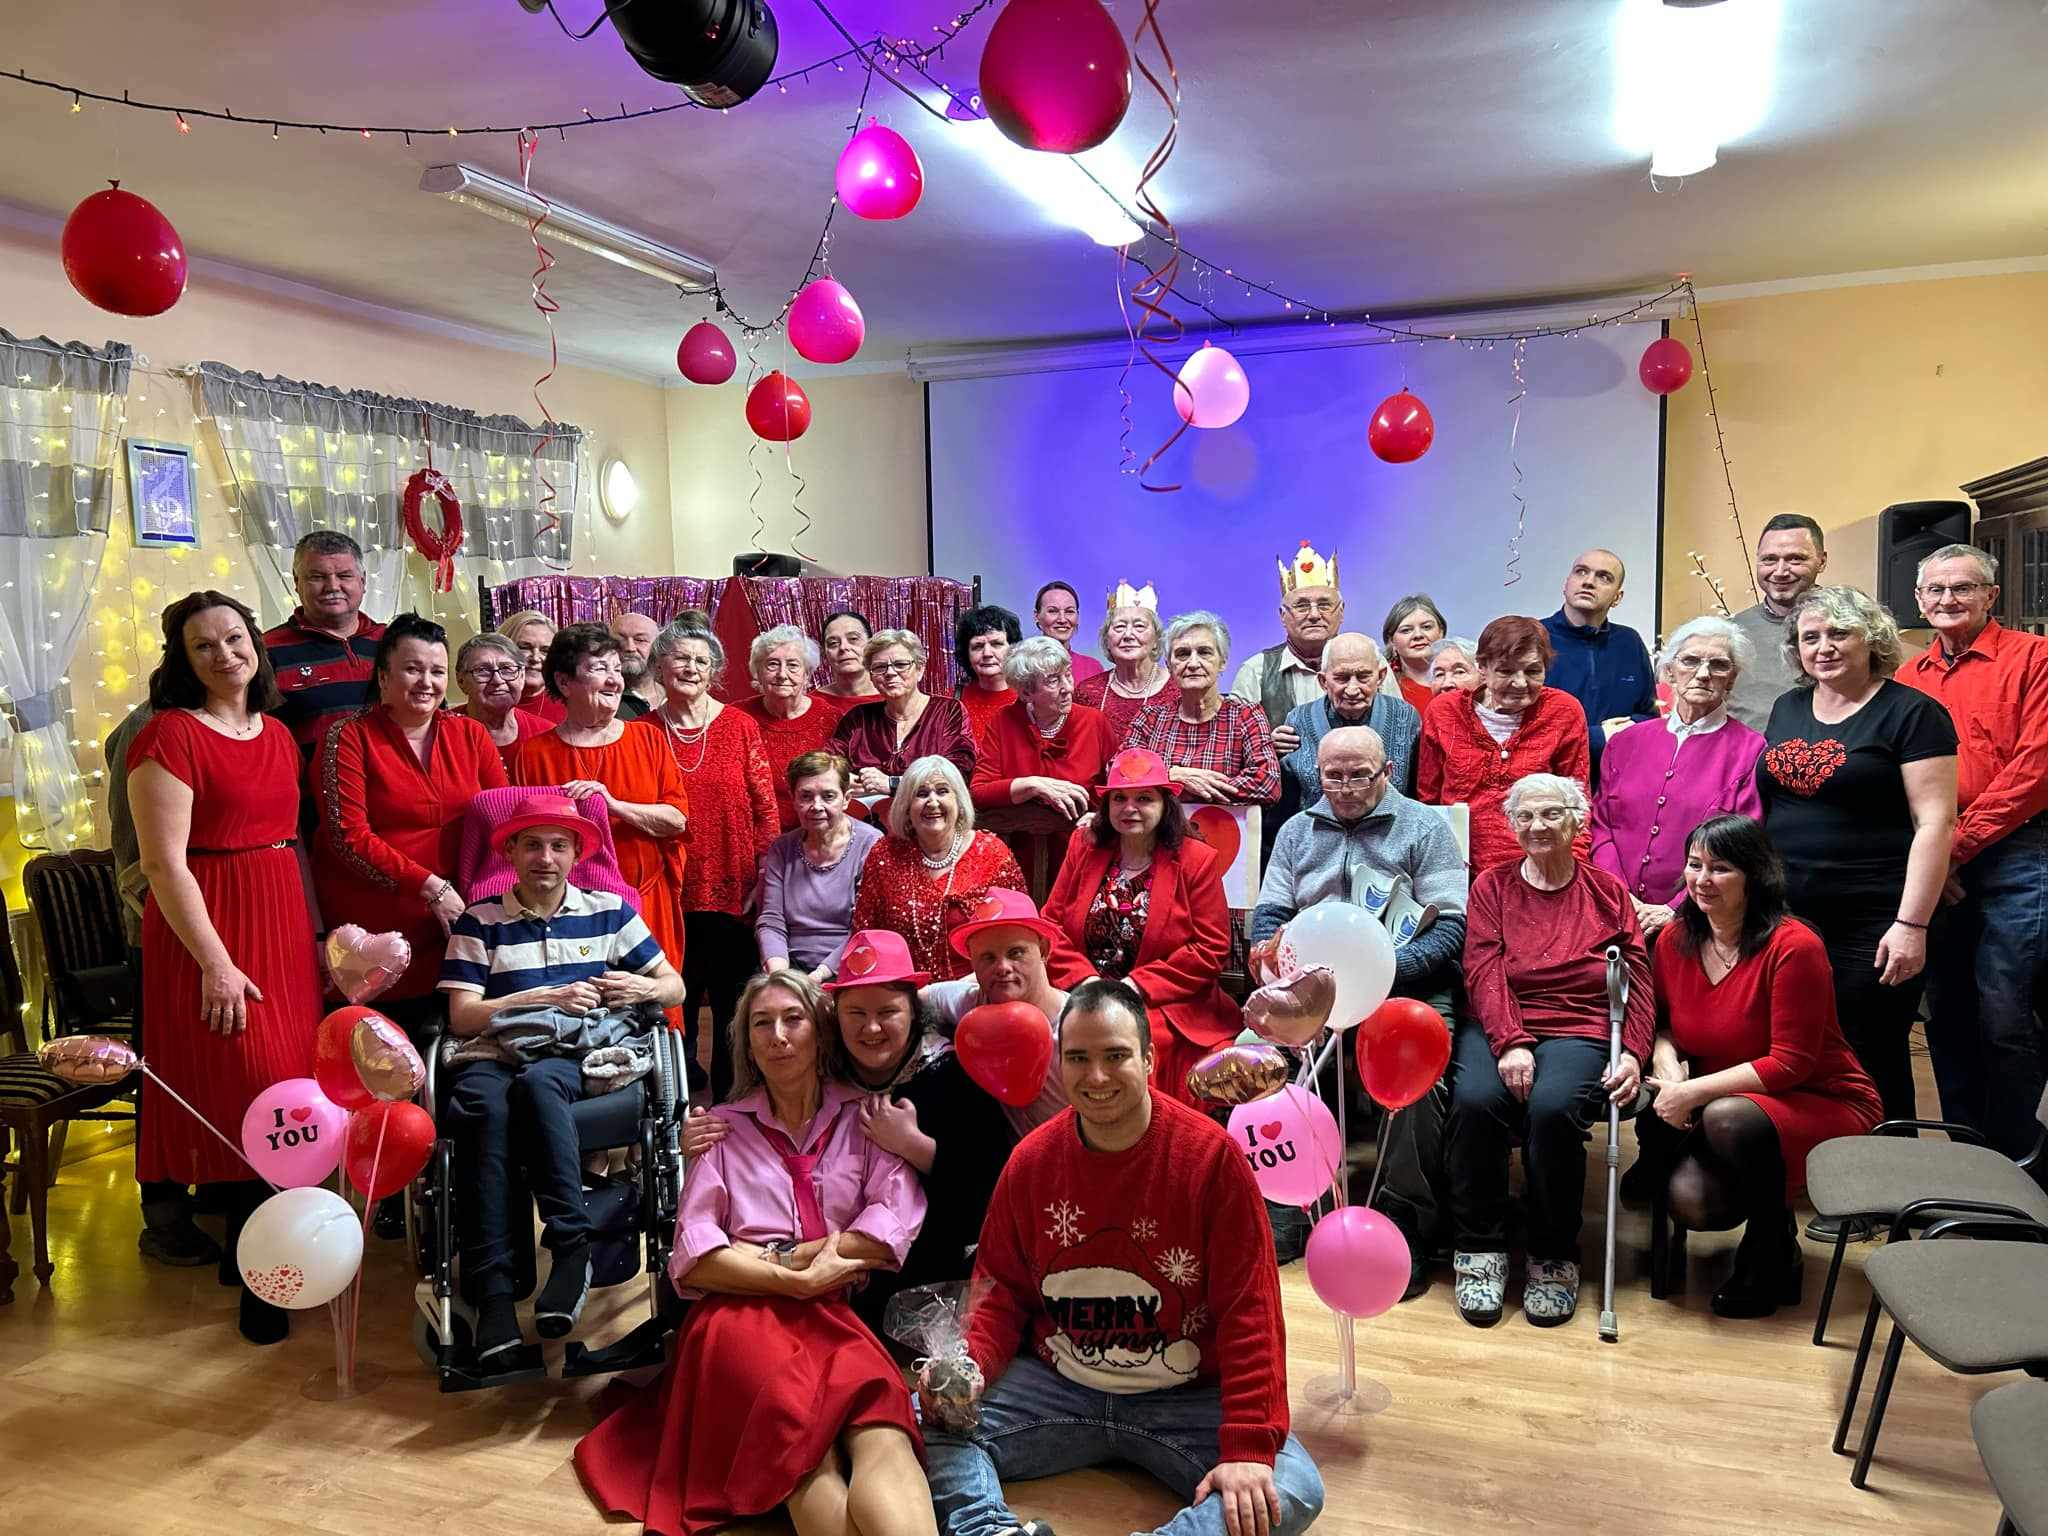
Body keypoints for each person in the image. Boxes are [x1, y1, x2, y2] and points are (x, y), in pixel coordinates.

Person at [921, 979, 1326, 1536]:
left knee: (1292, 1485)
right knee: (920, 1417)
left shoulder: (1212, 1161)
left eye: (1115, 1056)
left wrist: (1248, 1447)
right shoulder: (1030, 1163)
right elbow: (1001, 1293)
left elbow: (1249, 1312)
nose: (1096, 1076)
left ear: (1150, 1059)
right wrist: (968, 1368)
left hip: (1185, 1397)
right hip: (1057, 1386)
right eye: (1078, 1058)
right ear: (1059, 1063)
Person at [575, 971, 935, 1536]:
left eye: (793, 1019)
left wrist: (785, 1256)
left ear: (819, 1032)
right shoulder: (720, 1131)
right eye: (761, 1024)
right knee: (806, 1452)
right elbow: (697, 1256)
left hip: (832, 1314)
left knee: (884, 1428)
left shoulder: (866, 1118)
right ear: (746, 1044)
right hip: (740, 1315)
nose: (778, 1036)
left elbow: (891, 1224)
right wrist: (790, 1276)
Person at [129, 590, 323, 1344]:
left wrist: (315, 938)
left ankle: (255, 1257)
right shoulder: (169, 736)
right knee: (251, 1094)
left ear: (256, 645)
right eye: (203, 645)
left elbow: (289, 841)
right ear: (182, 659)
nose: (224, 654)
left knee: (289, 1094)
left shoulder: (275, 733)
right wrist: (216, 963)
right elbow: (161, 864)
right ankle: (261, 1285)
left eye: (235, 638)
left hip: (280, 921)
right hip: (210, 929)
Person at [438, 795, 684, 1365]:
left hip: (574, 1055)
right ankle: (494, 1297)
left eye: (557, 846)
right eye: (531, 845)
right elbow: (463, 1016)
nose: (544, 858)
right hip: (494, 1052)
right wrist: (542, 997)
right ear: (510, 852)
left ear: (576, 854)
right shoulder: (480, 921)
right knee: (486, 1113)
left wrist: (643, 988)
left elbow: (673, 986)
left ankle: (571, 1247)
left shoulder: (610, 913)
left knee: (540, 1085)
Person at [684, 929, 1016, 1334]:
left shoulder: (952, 1077)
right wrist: (697, 1140)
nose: (871, 1029)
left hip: (924, 1274)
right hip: (822, 1280)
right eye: (856, 1013)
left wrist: (917, 1147)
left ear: (914, 1011)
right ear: (834, 1020)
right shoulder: (828, 1071)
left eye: (888, 1012)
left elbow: (989, 1193)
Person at [1251, 725, 1469, 1297]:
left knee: (1416, 1080)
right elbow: (1270, 914)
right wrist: (1275, 959)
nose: (1344, 788)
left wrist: (1382, 973)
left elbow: (1451, 927)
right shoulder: (1297, 830)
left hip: (1406, 984)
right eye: (1333, 776)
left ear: (1387, 772)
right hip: (1311, 986)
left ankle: (1404, 1217)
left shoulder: (1425, 827)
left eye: (1358, 776)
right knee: (1259, 1061)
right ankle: (1291, 1200)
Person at [1641, 816, 1882, 1318]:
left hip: (1821, 1098)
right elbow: (1663, 1024)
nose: (1702, 880)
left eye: (1720, 868)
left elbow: (1790, 1063)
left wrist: (1693, 1093)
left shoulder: (1794, 946)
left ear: (1756, 875)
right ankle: (1776, 1228)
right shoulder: (1674, 940)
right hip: (1726, 1101)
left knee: (1729, 1116)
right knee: (1691, 1202)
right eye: (1694, 865)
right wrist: (1667, 1066)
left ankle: (1768, 1249)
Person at [1447, 773, 1652, 1328]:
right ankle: (1480, 1245)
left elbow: (1636, 978)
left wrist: (1633, 1052)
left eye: (1551, 814)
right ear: (1512, 825)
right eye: (1526, 816)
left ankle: (1553, 1253)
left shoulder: (1607, 892)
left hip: (1580, 1025)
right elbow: (1482, 968)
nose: (1537, 826)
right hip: (1500, 1022)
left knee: (1554, 1107)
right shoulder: (1491, 886)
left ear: (1577, 822)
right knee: (1474, 1099)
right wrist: (1510, 1041)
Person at [1758, 585, 1956, 1150]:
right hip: (1789, 913)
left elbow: (1936, 823)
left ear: (1872, 640)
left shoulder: (1913, 713)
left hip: (1876, 916)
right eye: (1810, 637)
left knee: (1870, 1046)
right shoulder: (1788, 707)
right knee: (1799, 1041)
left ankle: (1888, 1174)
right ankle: (1818, 1162)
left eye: (1839, 633)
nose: (1824, 647)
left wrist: (1912, 924)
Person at [1900, 544, 2048, 1157]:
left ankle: (2020, 1156)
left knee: (2007, 1011)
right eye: (1935, 590)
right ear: (1918, 600)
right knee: (1948, 1011)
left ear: (1992, 595)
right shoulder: (1908, 677)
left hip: (2018, 851)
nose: (1948, 599)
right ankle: (1963, 1152)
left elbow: (2036, 769)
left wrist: (1953, 847)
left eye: (1963, 588)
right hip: (1939, 855)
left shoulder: (2035, 658)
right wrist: (1934, 853)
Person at [310, 612, 507, 1025]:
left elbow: (501, 817)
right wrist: (431, 888)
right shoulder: (348, 737)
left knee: (456, 1036)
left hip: (460, 919)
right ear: (383, 676)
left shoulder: (470, 734)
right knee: (380, 1044)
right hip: (375, 928)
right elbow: (348, 836)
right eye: (413, 669)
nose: (426, 682)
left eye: (437, 671)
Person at [509, 624, 690, 1023]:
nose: (614, 680)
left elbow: (676, 819)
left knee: (657, 1013)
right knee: (582, 1014)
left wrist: (613, 805)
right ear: (564, 682)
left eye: (616, 669)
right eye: (598, 669)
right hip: (568, 914)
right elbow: (525, 840)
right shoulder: (534, 754)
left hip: (647, 901)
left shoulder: (649, 739)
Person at [1040, 747, 1238, 1108]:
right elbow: (1050, 926)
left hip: (1164, 1002)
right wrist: (1086, 981)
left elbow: (1210, 949)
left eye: (1144, 798)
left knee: (1133, 1043)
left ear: (1165, 804)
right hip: (1082, 991)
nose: (1129, 808)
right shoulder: (1083, 847)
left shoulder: (1196, 860)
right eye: (1120, 798)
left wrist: (1135, 986)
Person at [641, 620, 777, 1099]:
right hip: (666, 888)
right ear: (659, 666)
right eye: (680, 658)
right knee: (672, 1002)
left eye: (702, 661)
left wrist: (765, 876)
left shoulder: (740, 726)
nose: (691, 668)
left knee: (731, 1006)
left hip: (734, 886)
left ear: (715, 670)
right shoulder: (641, 731)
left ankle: (731, 1106)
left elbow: (764, 807)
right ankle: (676, 1106)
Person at [107, 697, 218, 1266]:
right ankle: (164, 1213)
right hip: (164, 927)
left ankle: (215, 1186)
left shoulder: (223, 717)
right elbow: (142, 856)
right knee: (162, 1072)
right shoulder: (151, 728)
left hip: (210, 925)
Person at [1590, 615, 1765, 939]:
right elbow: (1601, 827)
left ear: (1732, 679)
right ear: (1669, 671)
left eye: (1718, 665)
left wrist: (1674, 909)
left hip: (1698, 923)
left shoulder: (1751, 750)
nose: (1703, 673)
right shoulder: (1625, 741)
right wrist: (1621, 896)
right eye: (1690, 661)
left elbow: (1739, 844)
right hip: (1614, 912)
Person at [1417, 615, 1592, 874]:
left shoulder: (1564, 712)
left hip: (1540, 869)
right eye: (1506, 671)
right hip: (1459, 867)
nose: (1520, 683)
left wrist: (1571, 872)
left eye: (1533, 671)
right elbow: (1429, 802)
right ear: (1482, 668)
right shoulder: (1444, 711)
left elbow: (1578, 804)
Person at [850, 756, 1028, 981]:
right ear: (906, 807)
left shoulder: (992, 853)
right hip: (904, 989)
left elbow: (1019, 936)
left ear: (959, 802)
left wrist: (967, 987)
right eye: (921, 794)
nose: (932, 802)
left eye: (942, 791)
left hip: (980, 985)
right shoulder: (884, 854)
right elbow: (866, 933)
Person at [919, 888, 1073, 1137]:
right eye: (987, 958)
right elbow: (914, 1000)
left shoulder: (1079, 1027)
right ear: (972, 962)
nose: (1002, 967)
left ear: (1044, 950)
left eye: (1016, 953)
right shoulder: (973, 1004)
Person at [1126, 611, 1281, 807]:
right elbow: (1119, 771)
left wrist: (1179, 785)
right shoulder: (1150, 718)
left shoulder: (1247, 716)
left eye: (1204, 652)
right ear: (1169, 665)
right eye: (1182, 654)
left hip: (1223, 826)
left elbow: (1268, 784)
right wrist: (1172, 775)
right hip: (1160, 827)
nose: (1193, 663)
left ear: (1223, 662)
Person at [758, 751, 886, 984]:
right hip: (789, 966)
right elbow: (771, 920)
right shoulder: (781, 848)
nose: (816, 806)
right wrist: (780, 976)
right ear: (793, 799)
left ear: (846, 799)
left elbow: (865, 926)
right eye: (806, 796)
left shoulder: (871, 844)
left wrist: (819, 976)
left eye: (828, 796)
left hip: (852, 964)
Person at [260, 530, 386, 757]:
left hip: (394, 779)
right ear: (297, 582)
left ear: (363, 581)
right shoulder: (265, 651)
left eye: (344, 576)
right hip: (306, 779)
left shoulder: (393, 642)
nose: (332, 586)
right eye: (317, 577)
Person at [1541, 548, 1658, 785]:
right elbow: (1516, 727)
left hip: (1616, 783)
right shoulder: (1534, 637)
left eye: (1603, 577)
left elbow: (1650, 717)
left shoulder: (1629, 642)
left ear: (1617, 597)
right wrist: (1597, 737)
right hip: (1548, 784)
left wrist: (1628, 729)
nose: (1588, 582)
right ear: (1566, 584)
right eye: (1581, 572)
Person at [970, 635, 1115, 823]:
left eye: (1068, 674)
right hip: (1017, 838)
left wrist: (1100, 819)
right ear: (1026, 692)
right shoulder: (1003, 721)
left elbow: (1117, 789)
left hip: (1082, 835)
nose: (1068, 688)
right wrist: (1033, 785)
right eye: (1053, 680)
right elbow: (979, 793)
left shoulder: (1094, 721)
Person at [831, 629, 978, 798]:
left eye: (900, 664)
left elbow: (958, 773)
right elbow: (828, 766)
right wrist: (843, 780)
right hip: (864, 811)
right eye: (879, 667)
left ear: (920, 669)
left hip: (930, 810)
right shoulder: (858, 718)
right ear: (871, 677)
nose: (890, 673)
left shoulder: (948, 711)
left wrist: (893, 784)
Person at [1277, 632, 1422, 801]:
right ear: (1323, 681)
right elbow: (1285, 797)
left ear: (1380, 676)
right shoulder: (1299, 720)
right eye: (1341, 678)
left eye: (1363, 677)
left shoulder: (1404, 716)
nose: (1352, 689)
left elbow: (1419, 793)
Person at [739, 625, 848, 831]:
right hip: (753, 833)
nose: (782, 674)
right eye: (772, 664)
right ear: (757, 673)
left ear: (807, 675)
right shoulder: (737, 718)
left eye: (793, 665)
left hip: (818, 832)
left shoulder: (832, 719)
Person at [1727, 513, 1829, 731]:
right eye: (1769, 559)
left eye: (1795, 559)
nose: (1780, 571)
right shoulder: (1730, 631)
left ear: (1821, 561)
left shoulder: (1848, 628)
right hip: (1751, 752)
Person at [1230, 539, 1344, 731]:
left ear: (1341, 612)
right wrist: (1266, 742)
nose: (1314, 615)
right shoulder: (1256, 671)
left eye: (1324, 605)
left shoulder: (1371, 663)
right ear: (1283, 616)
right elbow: (1233, 739)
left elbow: (1394, 725)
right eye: (1302, 606)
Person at [1073, 582, 1171, 741]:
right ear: (1107, 640)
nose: (1128, 635)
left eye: (1139, 626)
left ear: (1156, 639)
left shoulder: (1179, 689)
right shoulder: (1087, 692)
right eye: (1119, 627)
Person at [455, 632, 554, 770]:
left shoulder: (547, 735)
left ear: (522, 676)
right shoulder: (442, 733)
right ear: (461, 681)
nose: (497, 680)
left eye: (507, 669)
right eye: (482, 670)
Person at [955, 604, 1022, 747]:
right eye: (978, 646)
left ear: (1013, 649)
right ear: (967, 654)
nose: (987, 653)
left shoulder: (1030, 698)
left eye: (996, 644)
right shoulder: (951, 701)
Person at [1383, 594, 1449, 715]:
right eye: (1406, 630)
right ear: (1391, 641)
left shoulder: (1465, 678)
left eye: (1426, 627)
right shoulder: (1381, 685)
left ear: (1441, 632)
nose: (1418, 635)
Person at [498, 609, 566, 726]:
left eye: (545, 650)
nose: (535, 658)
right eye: (524, 647)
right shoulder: (484, 705)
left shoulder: (572, 706)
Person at [1032, 579, 1104, 683]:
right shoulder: (1023, 666)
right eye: (1053, 611)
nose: (1062, 619)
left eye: (1069, 611)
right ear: (1036, 616)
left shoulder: (1092, 668)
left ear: (1077, 616)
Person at [819, 608, 882, 705]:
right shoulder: (811, 704)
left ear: (871, 644)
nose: (843, 647)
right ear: (824, 652)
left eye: (853, 639)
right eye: (833, 643)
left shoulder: (893, 698)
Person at [611, 610, 662, 720]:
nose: (630, 648)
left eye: (640, 640)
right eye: (620, 640)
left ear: (658, 648)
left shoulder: (674, 693)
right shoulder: (600, 699)